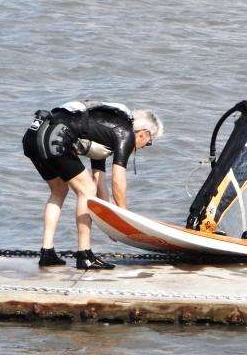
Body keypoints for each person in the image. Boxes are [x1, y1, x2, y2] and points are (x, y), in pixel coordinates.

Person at [22, 101, 164, 270]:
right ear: (144, 134)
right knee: (86, 190)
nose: (144, 147)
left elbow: (99, 182)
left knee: (59, 190)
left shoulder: (102, 130)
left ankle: (47, 252)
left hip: (34, 135)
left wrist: (110, 224)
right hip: (55, 137)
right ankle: (84, 255)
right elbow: (118, 181)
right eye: (149, 142)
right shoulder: (125, 133)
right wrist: (124, 218)